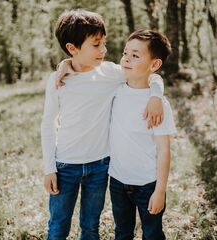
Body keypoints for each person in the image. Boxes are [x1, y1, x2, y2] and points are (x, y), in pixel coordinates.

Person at [41, 10, 165, 240]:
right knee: (58, 226)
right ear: (72, 48)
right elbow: (48, 124)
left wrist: (156, 95)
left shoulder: (110, 73)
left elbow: (150, 74)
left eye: (104, 43)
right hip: (65, 166)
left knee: (90, 226)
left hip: (100, 166)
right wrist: (49, 167)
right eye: (96, 44)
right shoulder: (59, 80)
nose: (104, 50)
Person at [108, 30, 177, 240]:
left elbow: (164, 149)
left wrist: (160, 191)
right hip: (118, 181)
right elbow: (89, 70)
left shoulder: (157, 105)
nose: (126, 59)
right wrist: (65, 64)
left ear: (154, 64)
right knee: (122, 233)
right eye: (125, 53)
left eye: (135, 56)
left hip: (148, 184)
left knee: (152, 234)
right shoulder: (115, 89)